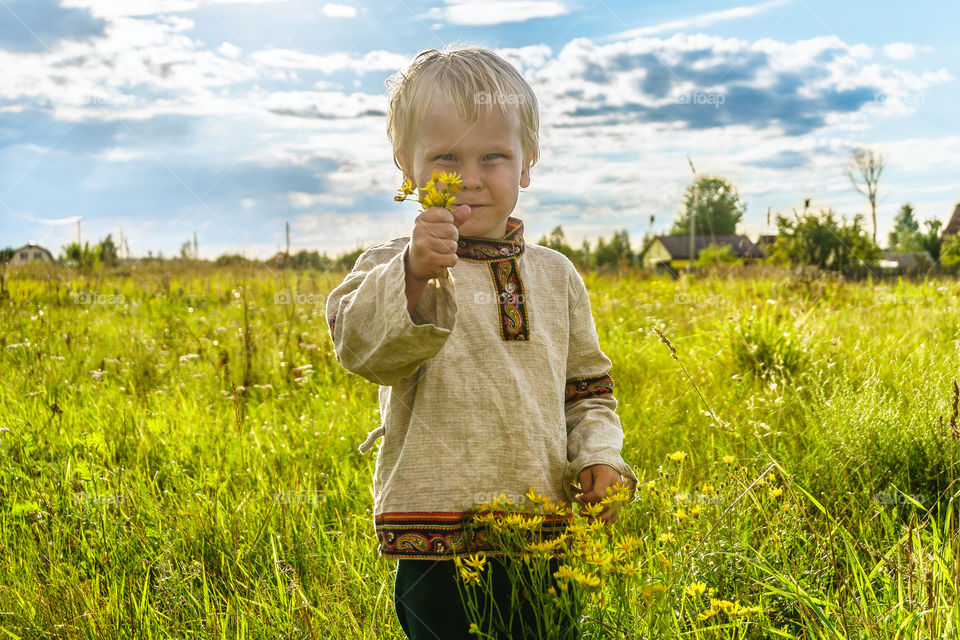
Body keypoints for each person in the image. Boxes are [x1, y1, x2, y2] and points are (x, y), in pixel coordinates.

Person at [325, 43, 639, 640]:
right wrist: (416, 272)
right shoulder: (391, 266)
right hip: (434, 539)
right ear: (406, 166)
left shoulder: (555, 276)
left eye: (493, 155)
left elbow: (588, 390)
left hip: (545, 530)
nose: (468, 178)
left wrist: (600, 456)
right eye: (445, 156)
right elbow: (362, 352)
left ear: (527, 164)